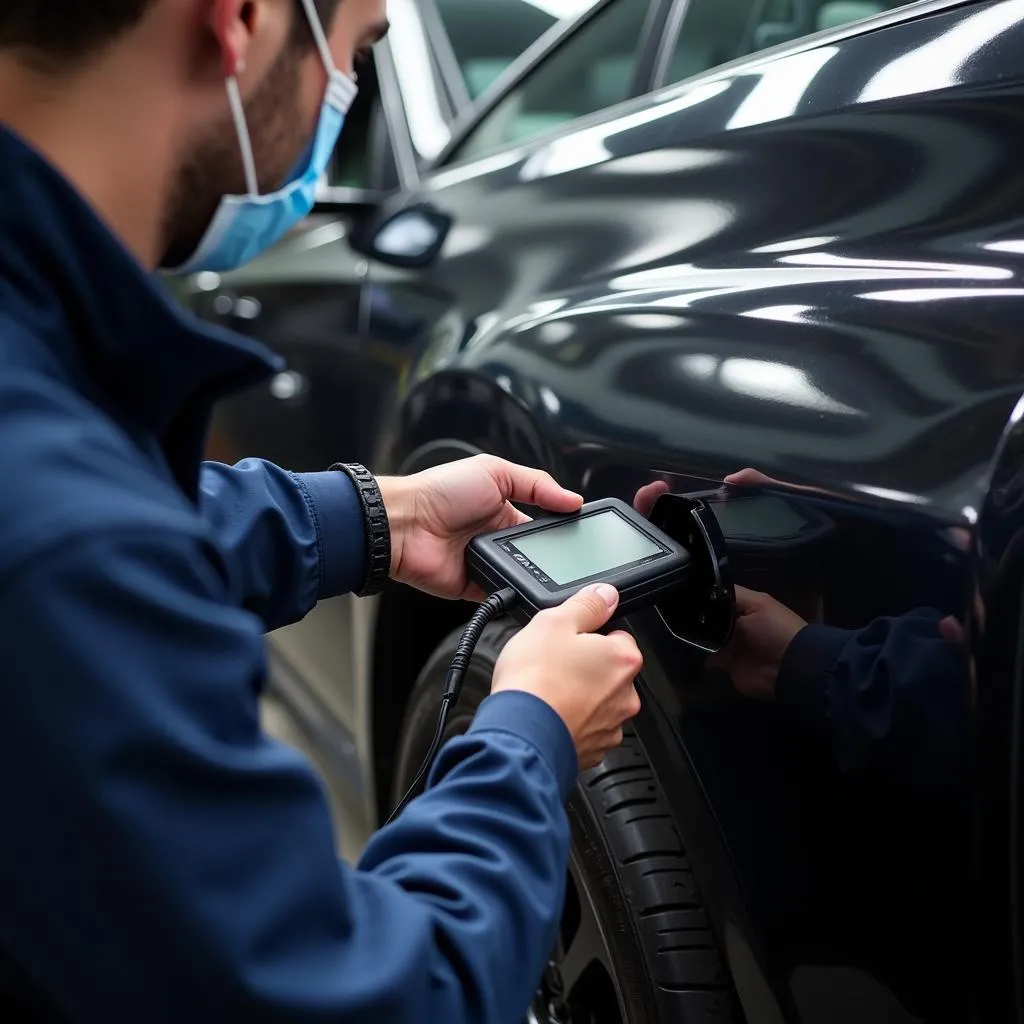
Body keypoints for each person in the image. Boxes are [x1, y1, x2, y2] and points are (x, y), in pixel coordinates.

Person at [0, 1, 644, 1021]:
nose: (341, 93)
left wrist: (380, 517)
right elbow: (374, 997)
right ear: (244, 19)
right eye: (357, 52)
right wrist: (528, 738)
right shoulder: (61, 531)